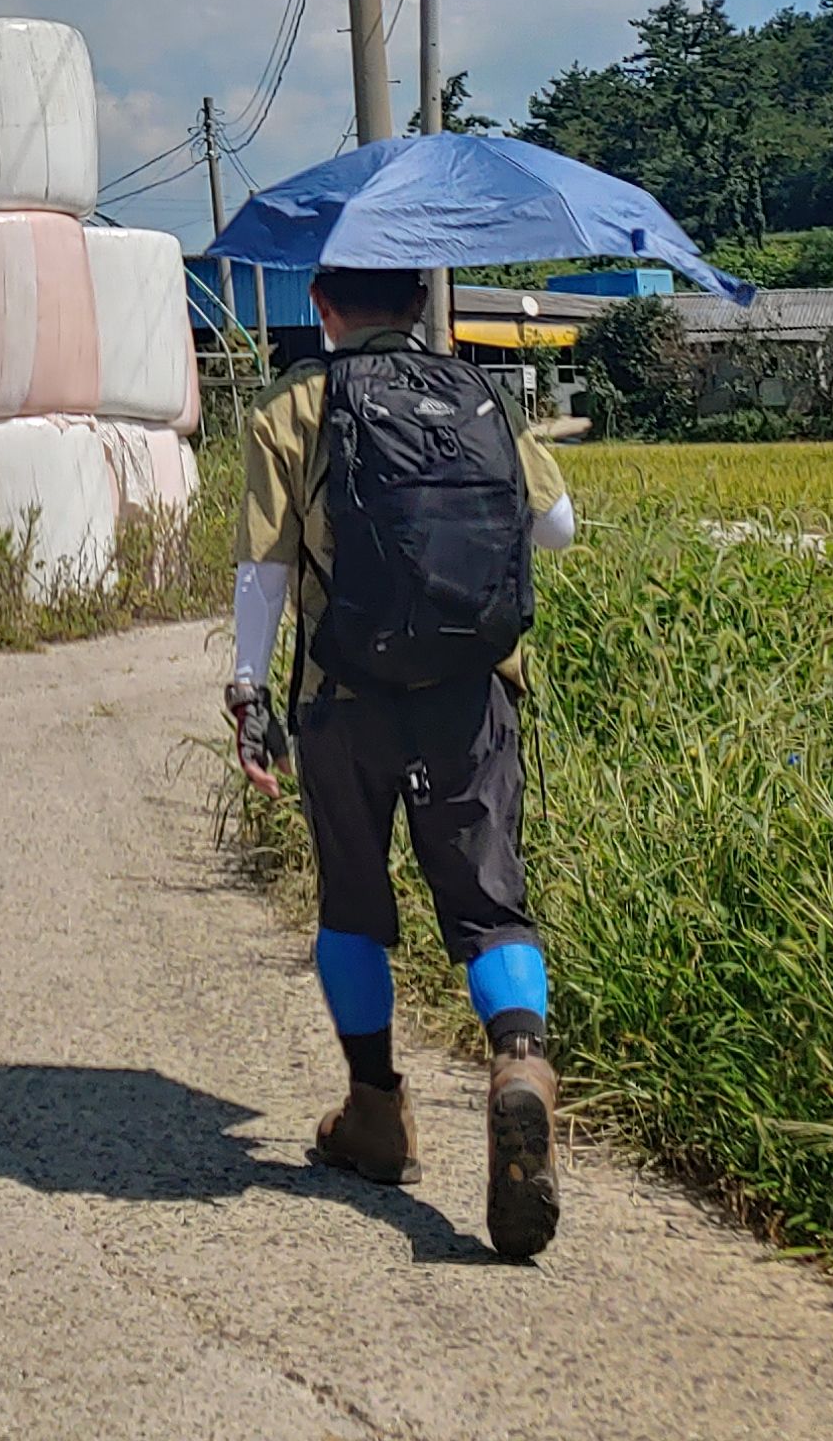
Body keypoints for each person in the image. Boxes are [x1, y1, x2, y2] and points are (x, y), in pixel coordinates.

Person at [228, 263, 579, 1260]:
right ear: (420, 304)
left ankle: (376, 1115)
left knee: (351, 903)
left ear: (323, 307)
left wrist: (249, 694)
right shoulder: (480, 394)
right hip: (469, 697)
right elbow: (558, 531)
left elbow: (263, 572)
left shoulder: (293, 406)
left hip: (344, 700)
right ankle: (519, 1061)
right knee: (490, 904)